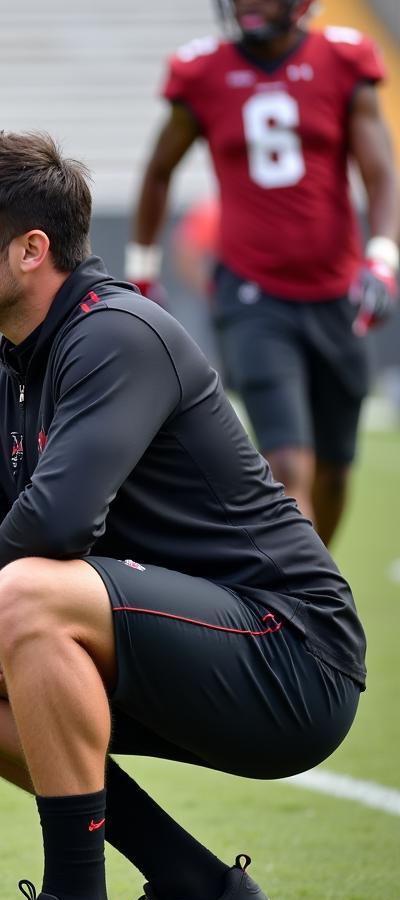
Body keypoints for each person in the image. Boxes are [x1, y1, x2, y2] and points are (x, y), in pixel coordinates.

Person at [0, 130, 365, 900]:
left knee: (27, 591)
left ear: (31, 249)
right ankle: (198, 891)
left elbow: (61, 523)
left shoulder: (116, 334)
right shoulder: (3, 375)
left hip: (293, 655)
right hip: (177, 644)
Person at [127, 0, 398, 546]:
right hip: (251, 293)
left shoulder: (343, 59)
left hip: (336, 291)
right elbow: (158, 172)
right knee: (285, 463)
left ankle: (315, 583)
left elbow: (380, 171)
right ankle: (309, 605)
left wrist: (383, 257)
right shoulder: (203, 71)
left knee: (334, 469)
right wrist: (143, 272)